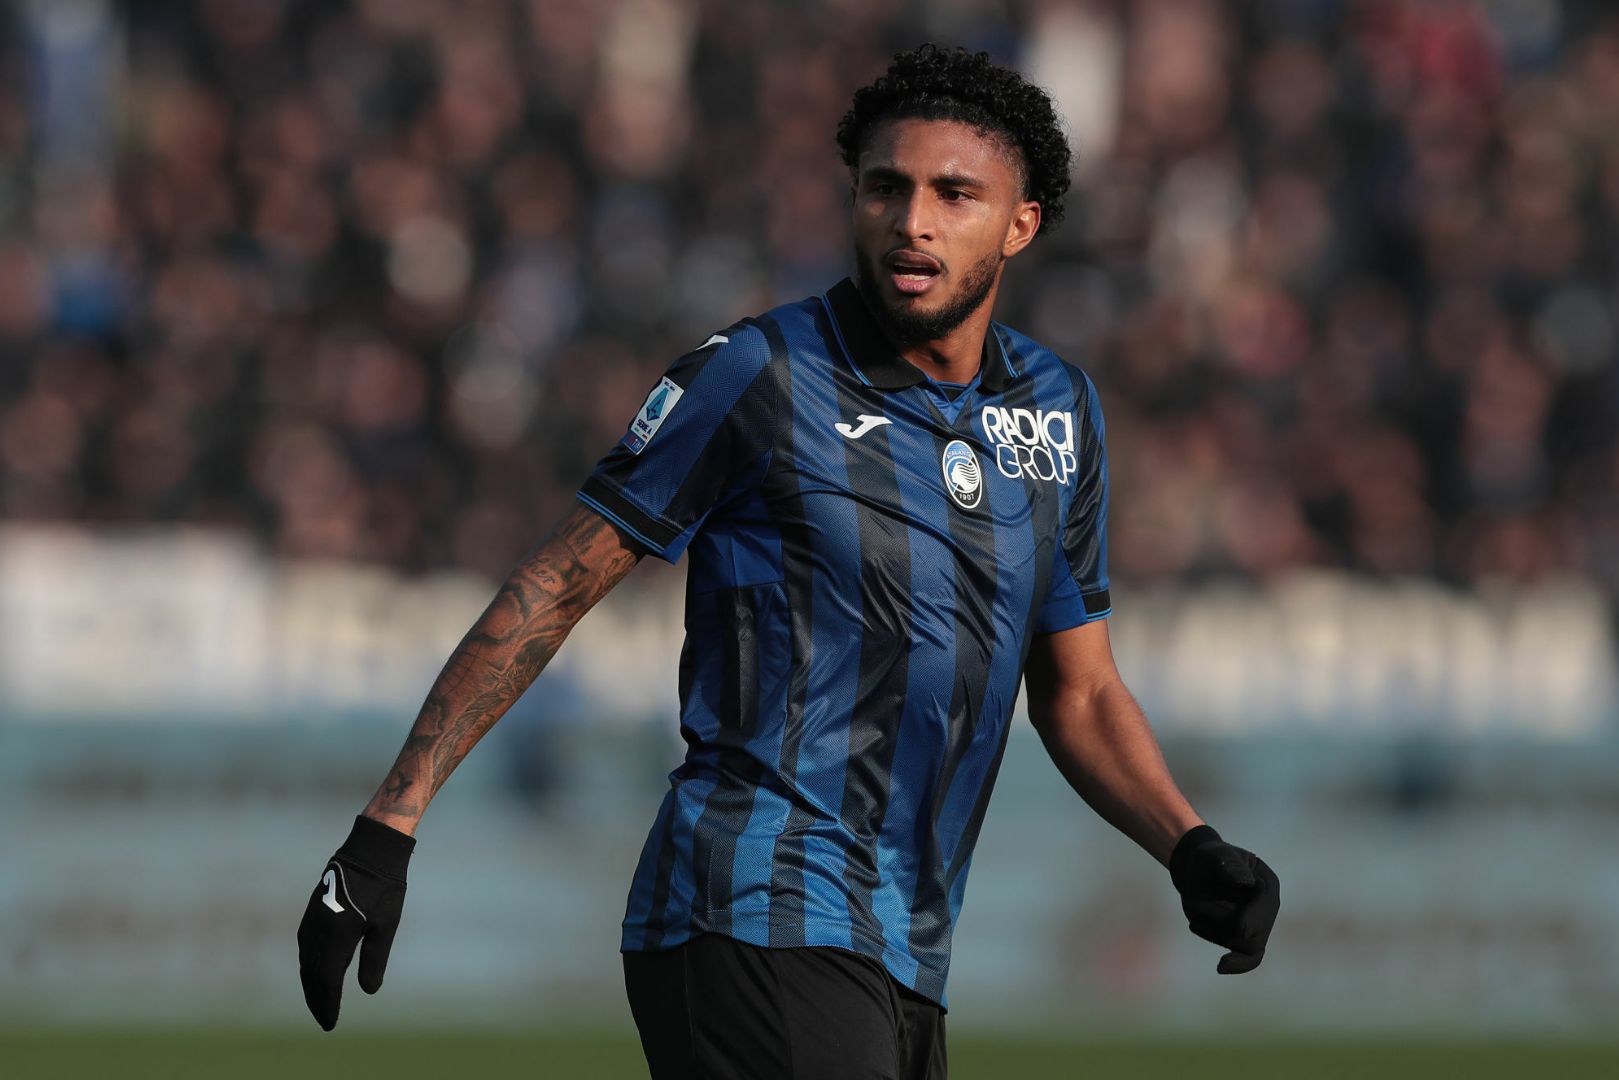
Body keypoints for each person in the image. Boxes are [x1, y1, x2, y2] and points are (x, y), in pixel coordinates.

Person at [297, 44, 1280, 1079]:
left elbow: (1077, 691)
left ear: (1020, 224)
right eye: (885, 188)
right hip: (751, 901)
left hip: (905, 945)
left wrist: (1187, 844)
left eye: (953, 195)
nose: (912, 221)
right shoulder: (757, 373)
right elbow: (553, 586)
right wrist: (386, 827)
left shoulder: (1057, 409)